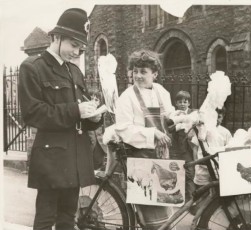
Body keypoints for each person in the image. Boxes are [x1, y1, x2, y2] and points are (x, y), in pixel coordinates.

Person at [18, 8, 104, 230]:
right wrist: (76, 110)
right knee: (46, 218)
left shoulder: (74, 72)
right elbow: (33, 113)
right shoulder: (33, 67)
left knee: (67, 217)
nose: (77, 52)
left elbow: (80, 117)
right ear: (56, 37)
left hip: (75, 156)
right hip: (52, 157)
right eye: (73, 45)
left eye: (81, 48)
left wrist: (93, 117)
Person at [115, 49, 175, 229]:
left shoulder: (161, 92)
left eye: (143, 72)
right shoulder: (126, 97)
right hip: (139, 156)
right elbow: (124, 129)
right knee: (149, 214)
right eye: (135, 71)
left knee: (165, 204)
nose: (138, 76)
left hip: (160, 155)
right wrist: (153, 133)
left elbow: (169, 115)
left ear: (154, 74)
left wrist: (182, 119)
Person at [168, 90, 196, 201]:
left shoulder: (193, 113)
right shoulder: (174, 115)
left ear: (189, 103)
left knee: (190, 173)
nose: (183, 104)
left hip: (189, 148)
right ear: (176, 103)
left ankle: (192, 200)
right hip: (176, 149)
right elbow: (170, 129)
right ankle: (178, 198)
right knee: (176, 173)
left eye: (185, 101)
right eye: (180, 102)